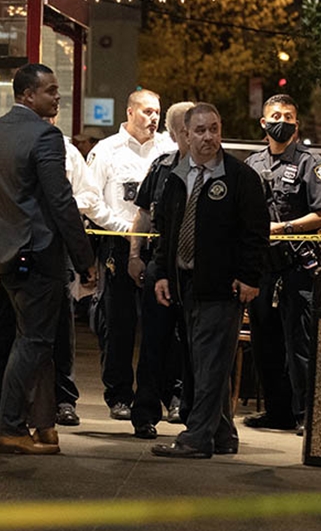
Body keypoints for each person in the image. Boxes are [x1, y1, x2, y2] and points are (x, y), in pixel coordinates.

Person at [0, 63, 97, 455]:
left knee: (35, 339)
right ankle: (10, 427)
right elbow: (61, 202)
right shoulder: (45, 136)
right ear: (28, 95)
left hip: (2, 253)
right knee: (34, 341)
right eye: (50, 91)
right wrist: (85, 258)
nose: (57, 97)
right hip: (37, 253)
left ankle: (43, 425)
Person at [0, 116, 125, 428]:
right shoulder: (3, 144)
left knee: (59, 330)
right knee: (8, 331)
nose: (49, 116)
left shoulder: (63, 148)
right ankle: (6, 405)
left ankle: (63, 400)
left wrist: (61, 212)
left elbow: (88, 196)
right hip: (12, 248)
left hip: (51, 249)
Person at [150, 102, 268, 459]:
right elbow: (165, 232)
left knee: (211, 362)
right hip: (186, 283)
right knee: (205, 362)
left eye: (213, 129)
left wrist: (249, 277)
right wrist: (162, 274)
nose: (208, 137)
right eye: (200, 130)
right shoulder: (175, 176)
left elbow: (255, 233)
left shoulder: (239, 177)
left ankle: (197, 437)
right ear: (185, 135)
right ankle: (222, 433)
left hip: (223, 286)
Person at [243, 94, 321, 436]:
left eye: (288, 115)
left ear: (296, 125)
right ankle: (277, 411)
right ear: (263, 124)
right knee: (264, 340)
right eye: (275, 115)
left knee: (300, 343)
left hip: (299, 264)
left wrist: (283, 228)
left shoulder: (313, 163)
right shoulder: (252, 164)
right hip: (263, 266)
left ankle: (306, 414)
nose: (281, 120)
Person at [86, 89, 175, 421]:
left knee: (161, 324)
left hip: (157, 247)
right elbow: (91, 200)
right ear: (130, 112)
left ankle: (164, 393)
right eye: (147, 111)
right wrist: (123, 228)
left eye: (157, 112)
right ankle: (119, 395)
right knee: (118, 324)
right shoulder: (106, 151)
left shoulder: (168, 151)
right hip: (119, 244)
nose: (153, 118)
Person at [127, 101, 193, 439]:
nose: (190, 134)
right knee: (153, 341)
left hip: (196, 269)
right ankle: (145, 413)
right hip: (161, 264)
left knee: (192, 344)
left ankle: (187, 408)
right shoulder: (162, 167)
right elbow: (143, 215)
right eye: (183, 128)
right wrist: (134, 254)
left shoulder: (213, 169)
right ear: (175, 132)